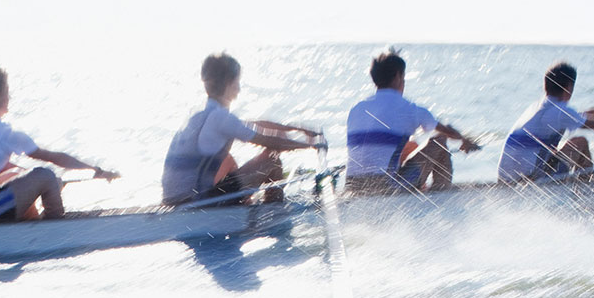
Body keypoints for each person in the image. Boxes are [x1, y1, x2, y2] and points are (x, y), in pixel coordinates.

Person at [0, 64, 118, 224]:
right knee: (46, 176)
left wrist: (26, 180)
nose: (9, 99)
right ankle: (54, 232)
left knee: (16, 173)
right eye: (7, 93)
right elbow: (54, 158)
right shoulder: (1, 133)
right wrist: (96, 170)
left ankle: (29, 224)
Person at [161, 53, 318, 206]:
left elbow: (252, 125)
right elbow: (270, 141)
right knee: (272, 159)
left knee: (228, 159)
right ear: (229, 83)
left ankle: (243, 202)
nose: (239, 88)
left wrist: (295, 129)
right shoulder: (221, 118)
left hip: (172, 199)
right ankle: (274, 213)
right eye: (237, 82)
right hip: (195, 202)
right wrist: (311, 145)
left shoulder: (199, 113)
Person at [344, 48, 480, 194]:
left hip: (352, 188)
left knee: (407, 147)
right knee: (439, 141)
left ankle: (425, 191)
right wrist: (465, 141)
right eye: (403, 77)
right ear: (397, 76)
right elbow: (449, 133)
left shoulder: (357, 109)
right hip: (386, 188)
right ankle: (441, 198)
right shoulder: (410, 109)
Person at [497, 61, 594, 183]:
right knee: (580, 143)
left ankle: (579, 186)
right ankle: (587, 192)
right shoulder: (559, 111)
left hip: (507, 179)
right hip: (526, 180)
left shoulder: (542, 106)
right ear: (568, 87)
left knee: (567, 146)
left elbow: (585, 115)